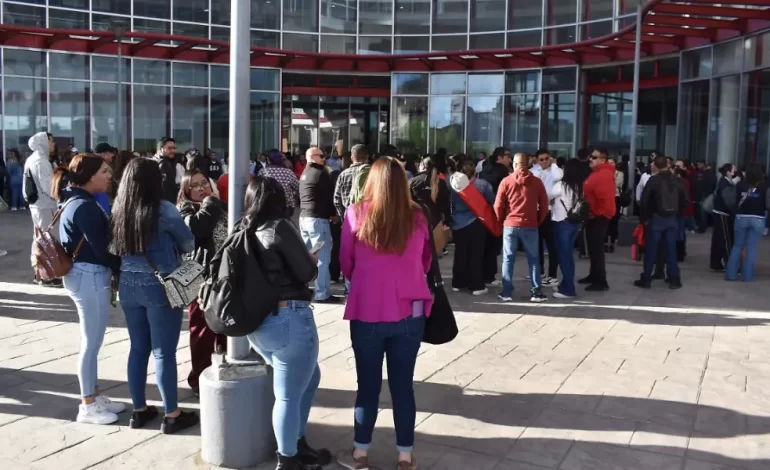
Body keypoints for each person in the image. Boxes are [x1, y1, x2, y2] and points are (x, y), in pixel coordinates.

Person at [337, 157, 432, 470]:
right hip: (411, 309)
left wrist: (368, 278)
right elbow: (426, 261)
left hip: (367, 309)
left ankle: (361, 454)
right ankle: (405, 457)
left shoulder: (355, 213)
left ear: (371, 181)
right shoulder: (418, 216)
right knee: (403, 387)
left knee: (368, 387)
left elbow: (345, 263)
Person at [241, 176, 331, 470]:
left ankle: (297, 443)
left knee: (310, 377)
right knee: (289, 394)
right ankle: (288, 458)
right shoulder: (279, 226)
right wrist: (312, 258)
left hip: (260, 322)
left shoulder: (245, 228)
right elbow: (306, 273)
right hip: (289, 317)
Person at [110, 158, 199, 434]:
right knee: (163, 352)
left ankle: (139, 411)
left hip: (127, 283)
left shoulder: (118, 208)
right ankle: (171, 413)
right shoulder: (164, 209)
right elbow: (188, 242)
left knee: (138, 348)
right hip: (159, 283)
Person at [53, 154, 123, 424]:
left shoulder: (77, 200)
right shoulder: (84, 206)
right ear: (91, 175)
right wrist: (124, 267)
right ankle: (87, 405)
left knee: (93, 341)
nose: (109, 176)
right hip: (89, 276)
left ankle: (94, 394)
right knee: (91, 343)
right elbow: (103, 250)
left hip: (86, 275)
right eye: (105, 171)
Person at [177, 170, 228, 397]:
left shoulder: (221, 206)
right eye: (195, 185)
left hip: (225, 278)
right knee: (201, 331)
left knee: (226, 328)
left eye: (204, 183)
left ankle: (224, 369)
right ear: (186, 190)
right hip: (200, 279)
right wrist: (209, 202)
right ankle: (199, 377)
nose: (201, 188)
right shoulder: (186, 209)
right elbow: (197, 229)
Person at [494, 152, 549, 303]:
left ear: (515, 164)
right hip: (530, 224)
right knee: (533, 259)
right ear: (528, 164)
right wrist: (537, 221)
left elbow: (498, 205)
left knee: (508, 259)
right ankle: (536, 292)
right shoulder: (537, 182)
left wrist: (501, 221)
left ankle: (506, 293)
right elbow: (544, 205)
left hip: (510, 225)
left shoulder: (506, 181)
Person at [634, 156, 689, 289]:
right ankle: (674, 279)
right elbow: (686, 201)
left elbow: (644, 201)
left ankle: (646, 278)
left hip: (656, 218)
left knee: (651, 249)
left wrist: (644, 219)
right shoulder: (678, 181)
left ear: (656, 167)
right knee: (671, 250)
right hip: (672, 219)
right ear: (668, 165)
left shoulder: (653, 180)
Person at [298, 147, 341, 304]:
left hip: (304, 219)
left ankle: (301, 288)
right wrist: (334, 214)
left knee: (306, 257)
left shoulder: (305, 173)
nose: (324, 159)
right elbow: (330, 195)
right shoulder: (321, 173)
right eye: (322, 156)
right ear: (313, 157)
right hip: (318, 221)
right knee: (322, 258)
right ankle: (322, 293)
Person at [449, 158, 494, 296]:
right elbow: (493, 200)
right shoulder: (482, 184)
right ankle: (476, 286)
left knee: (460, 254)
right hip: (476, 222)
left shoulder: (451, 184)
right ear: (474, 170)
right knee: (476, 254)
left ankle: (458, 283)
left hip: (457, 223)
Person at [24, 132, 61, 286]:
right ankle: (47, 276)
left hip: (41, 206)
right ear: (43, 142)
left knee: (41, 239)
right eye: (51, 141)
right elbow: (48, 187)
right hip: (45, 206)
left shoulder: (37, 159)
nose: (53, 145)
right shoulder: (41, 162)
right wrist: (62, 194)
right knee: (47, 241)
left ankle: (41, 274)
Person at [579, 148, 616, 291]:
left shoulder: (604, 174)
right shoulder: (598, 173)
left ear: (602, 160)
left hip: (598, 217)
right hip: (594, 216)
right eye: (590, 157)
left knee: (597, 249)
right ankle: (594, 276)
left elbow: (605, 199)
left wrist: (596, 213)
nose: (590, 159)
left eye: (594, 157)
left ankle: (600, 280)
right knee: (593, 249)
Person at [726, 164, 769, 282]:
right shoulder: (765, 186)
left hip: (741, 217)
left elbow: (733, 200)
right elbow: (768, 204)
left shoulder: (740, 185)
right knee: (751, 248)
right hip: (758, 218)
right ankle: (747, 276)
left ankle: (731, 275)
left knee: (737, 246)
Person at [549, 159, 585, 299]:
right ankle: (565, 284)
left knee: (564, 257)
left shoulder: (561, 186)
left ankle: (569, 289)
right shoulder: (579, 186)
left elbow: (548, 195)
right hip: (575, 223)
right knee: (568, 256)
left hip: (562, 222)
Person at [531, 149, 562, 287]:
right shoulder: (534, 171)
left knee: (552, 245)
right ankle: (540, 271)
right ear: (537, 160)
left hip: (550, 212)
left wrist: (554, 164)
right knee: (536, 244)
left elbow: (558, 177)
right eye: (541, 159)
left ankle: (553, 275)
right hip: (536, 211)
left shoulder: (555, 171)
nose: (544, 162)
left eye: (547, 158)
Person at [710, 163, 738, 271]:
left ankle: (715, 263)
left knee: (718, 240)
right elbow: (730, 202)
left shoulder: (722, 182)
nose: (735, 172)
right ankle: (730, 264)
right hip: (723, 214)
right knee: (726, 240)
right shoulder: (726, 184)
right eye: (733, 170)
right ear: (728, 172)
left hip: (718, 213)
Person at [258, 149, 300, 219]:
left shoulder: (262, 172)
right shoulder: (288, 172)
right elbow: (297, 186)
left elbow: (258, 187)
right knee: (284, 226)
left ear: (268, 159)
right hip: (286, 205)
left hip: (268, 204)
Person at [333, 144, 369, 219]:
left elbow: (337, 199)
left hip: (349, 216)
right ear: (367, 157)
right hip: (367, 216)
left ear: (352, 158)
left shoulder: (343, 174)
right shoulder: (372, 173)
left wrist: (343, 217)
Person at [154, 137, 178, 203]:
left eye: (174, 148)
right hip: (165, 202)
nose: (173, 150)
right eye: (169, 148)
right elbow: (167, 187)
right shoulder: (164, 164)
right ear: (161, 149)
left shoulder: (154, 161)